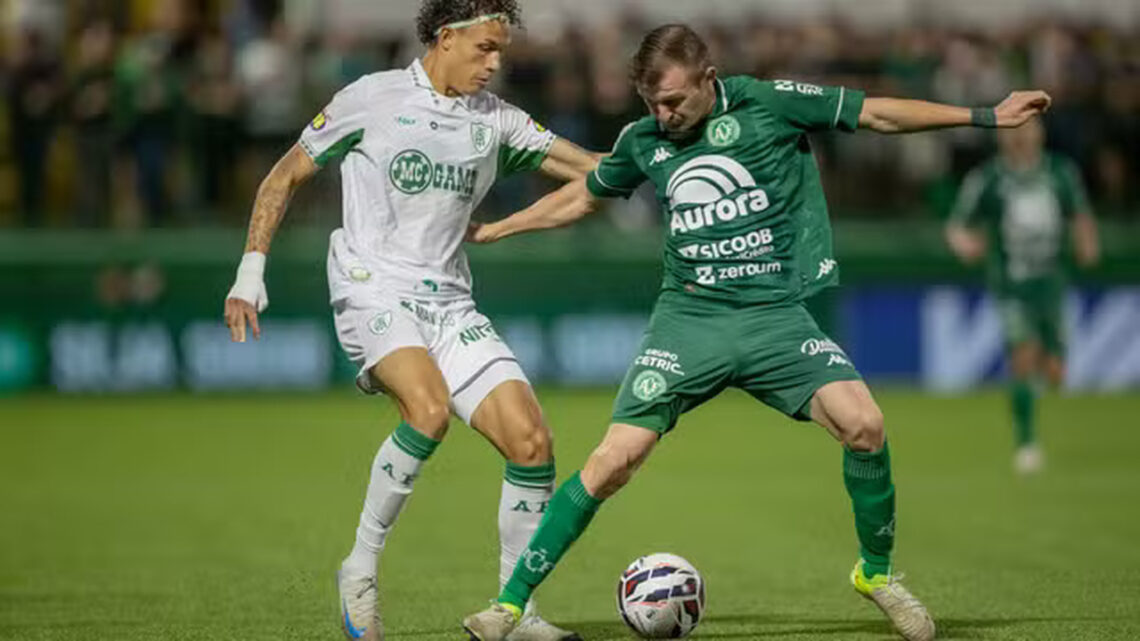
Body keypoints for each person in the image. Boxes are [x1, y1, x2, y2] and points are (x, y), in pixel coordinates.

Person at [462, 23, 1053, 641]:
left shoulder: (768, 103)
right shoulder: (644, 141)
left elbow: (877, 115)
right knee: (613, 461)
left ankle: (875, 576)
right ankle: (508, 606)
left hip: (774, 318)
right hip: (688, 322)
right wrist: (497, 230)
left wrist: (986, 116)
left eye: (674, 101)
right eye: (651, 104)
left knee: (866, 426)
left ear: (709, 79)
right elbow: (583, 196)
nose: (662, 116)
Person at [222, 2, 601, 640]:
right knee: (426, 410)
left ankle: (515, 611)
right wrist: (250, 272)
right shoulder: (371, 99)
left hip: (450, 302)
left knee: (532, 442)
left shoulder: (496, 120)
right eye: (485, 48)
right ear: (445, 38)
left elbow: (591, 169)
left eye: (501, 51)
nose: (496, 63)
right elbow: (283, 175)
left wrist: (663, 158)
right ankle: (360, 569)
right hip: (372, 287)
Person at [945, 118, 1098, 474]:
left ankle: (1033, 390)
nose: (1020, 138)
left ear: (1039, 135)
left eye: (1028, 131)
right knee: (1023, 354)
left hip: (1052, 283)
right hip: (1011, 285)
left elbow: (1079, 214)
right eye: (1014, 132)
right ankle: (1027, 442)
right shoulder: (989, 179)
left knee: (1056, 371)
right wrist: (964, 244)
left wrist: (1087, 243)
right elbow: (957, 225)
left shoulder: (1060, 172)